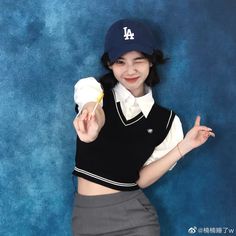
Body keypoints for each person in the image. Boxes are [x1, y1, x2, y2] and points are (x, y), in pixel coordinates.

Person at [71, 19, 215, 236]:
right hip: (86, 218)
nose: (130, 70)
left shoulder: (166, 122)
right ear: (110, 64)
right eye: (120, 62)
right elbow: (92, 106)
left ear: (151, 61)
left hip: (136, 219)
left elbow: (140, 180)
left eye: (138, 60)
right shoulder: (94, 91)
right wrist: (93, 120)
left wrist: (184, 147)